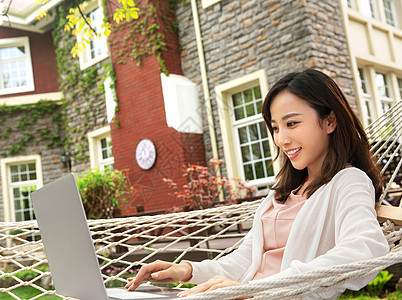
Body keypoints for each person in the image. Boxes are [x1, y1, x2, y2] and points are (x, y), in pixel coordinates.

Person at [124, 69, 389, 299]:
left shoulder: (348, 182)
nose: (281, 139)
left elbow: (364, 249)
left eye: (292, 123)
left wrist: (259, 289)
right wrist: (187, 270)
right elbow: (244, 261)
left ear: (329, 121)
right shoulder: (281, 195)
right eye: (275, 128)